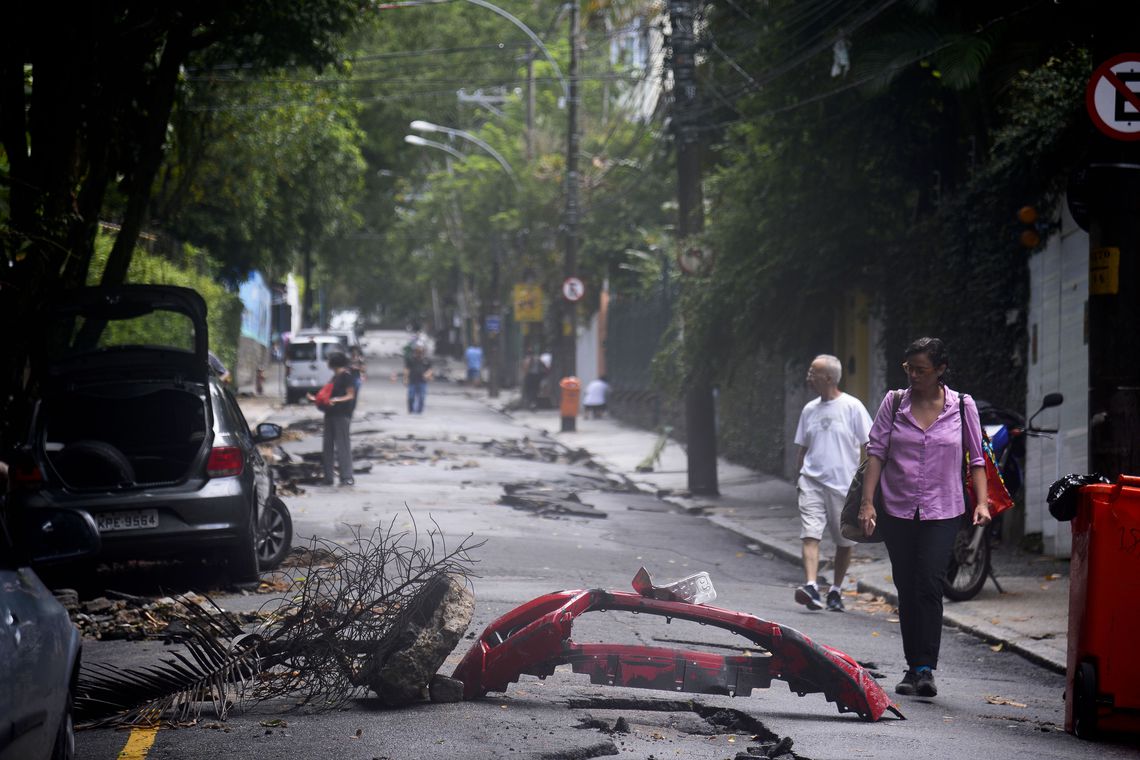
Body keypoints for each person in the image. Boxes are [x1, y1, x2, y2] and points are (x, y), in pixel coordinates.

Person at [860, 337, 988, 698]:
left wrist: (982, 503)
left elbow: (976, 459)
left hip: (943, 509)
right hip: (897, 508)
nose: (913, 375)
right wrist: (867, 503)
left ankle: (924, 668)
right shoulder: (894, 402)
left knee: (930, 583)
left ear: (941, 370)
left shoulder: (962, 406)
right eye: (909, 369)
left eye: (921, 369)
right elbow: (877, 453)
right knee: (906, 585)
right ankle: (912, 664)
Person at [792, 355, 872, 613]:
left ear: (828, 377)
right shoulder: (809, 410)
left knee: (844, 541)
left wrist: (865, 486)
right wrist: (799, 477)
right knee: (810, 533)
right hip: (812, 482)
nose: (808, 376)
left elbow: (870, 446)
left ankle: (835, 591)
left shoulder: (852, 407)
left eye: (812, 372)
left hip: (843, 486)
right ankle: (812, 586)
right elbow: (802, 449)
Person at [307, 351, 356, 486]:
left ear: (334, 362)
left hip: (342, 414)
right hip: (330, 414)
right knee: (327, 447)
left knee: (343, 446)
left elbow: (350, 395)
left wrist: (337, 400)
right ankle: (328, 477)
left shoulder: (346, 376)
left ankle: (346, 476)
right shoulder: (334, 377)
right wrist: (315, 399)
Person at [401, 344, 433, 414]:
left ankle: (419, 410)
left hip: (422, 381)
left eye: (421, 352)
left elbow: (430, 370)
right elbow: (407, 369)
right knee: (411, 396)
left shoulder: (427, 360)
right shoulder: (410, 359)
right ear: (415, 352)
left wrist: (427, 375)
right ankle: (411, 410)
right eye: (418, 352)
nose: (419, 354)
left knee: (421, 397)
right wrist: (405, 379)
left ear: (423, 352)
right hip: (412, 380)